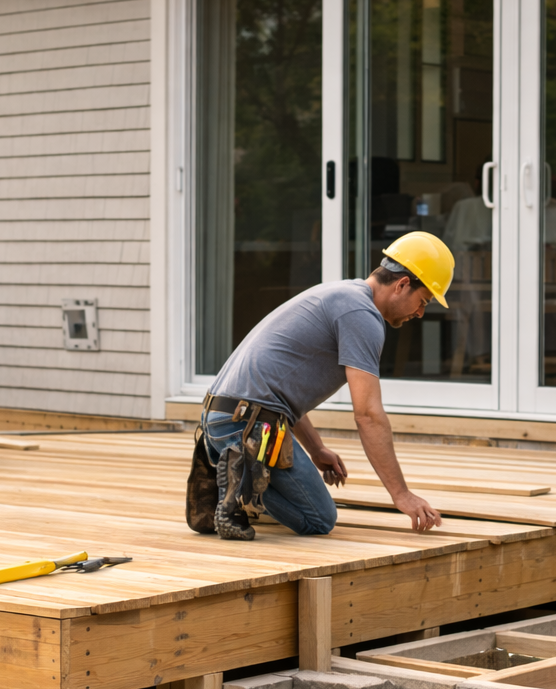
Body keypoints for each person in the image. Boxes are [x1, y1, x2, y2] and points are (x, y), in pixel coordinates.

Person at [189, 231, 451, 540]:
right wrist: (401, 494)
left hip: (222, 418)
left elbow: (276, 394)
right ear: (403, 284)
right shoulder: (362, 315)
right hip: (246, 425)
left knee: (302, 504)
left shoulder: (345, 294)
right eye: (422, 302)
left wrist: (316, 449)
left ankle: (229, 466)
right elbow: (367, 414)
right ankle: (237, 482)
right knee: (318, 518)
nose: (420, 313)